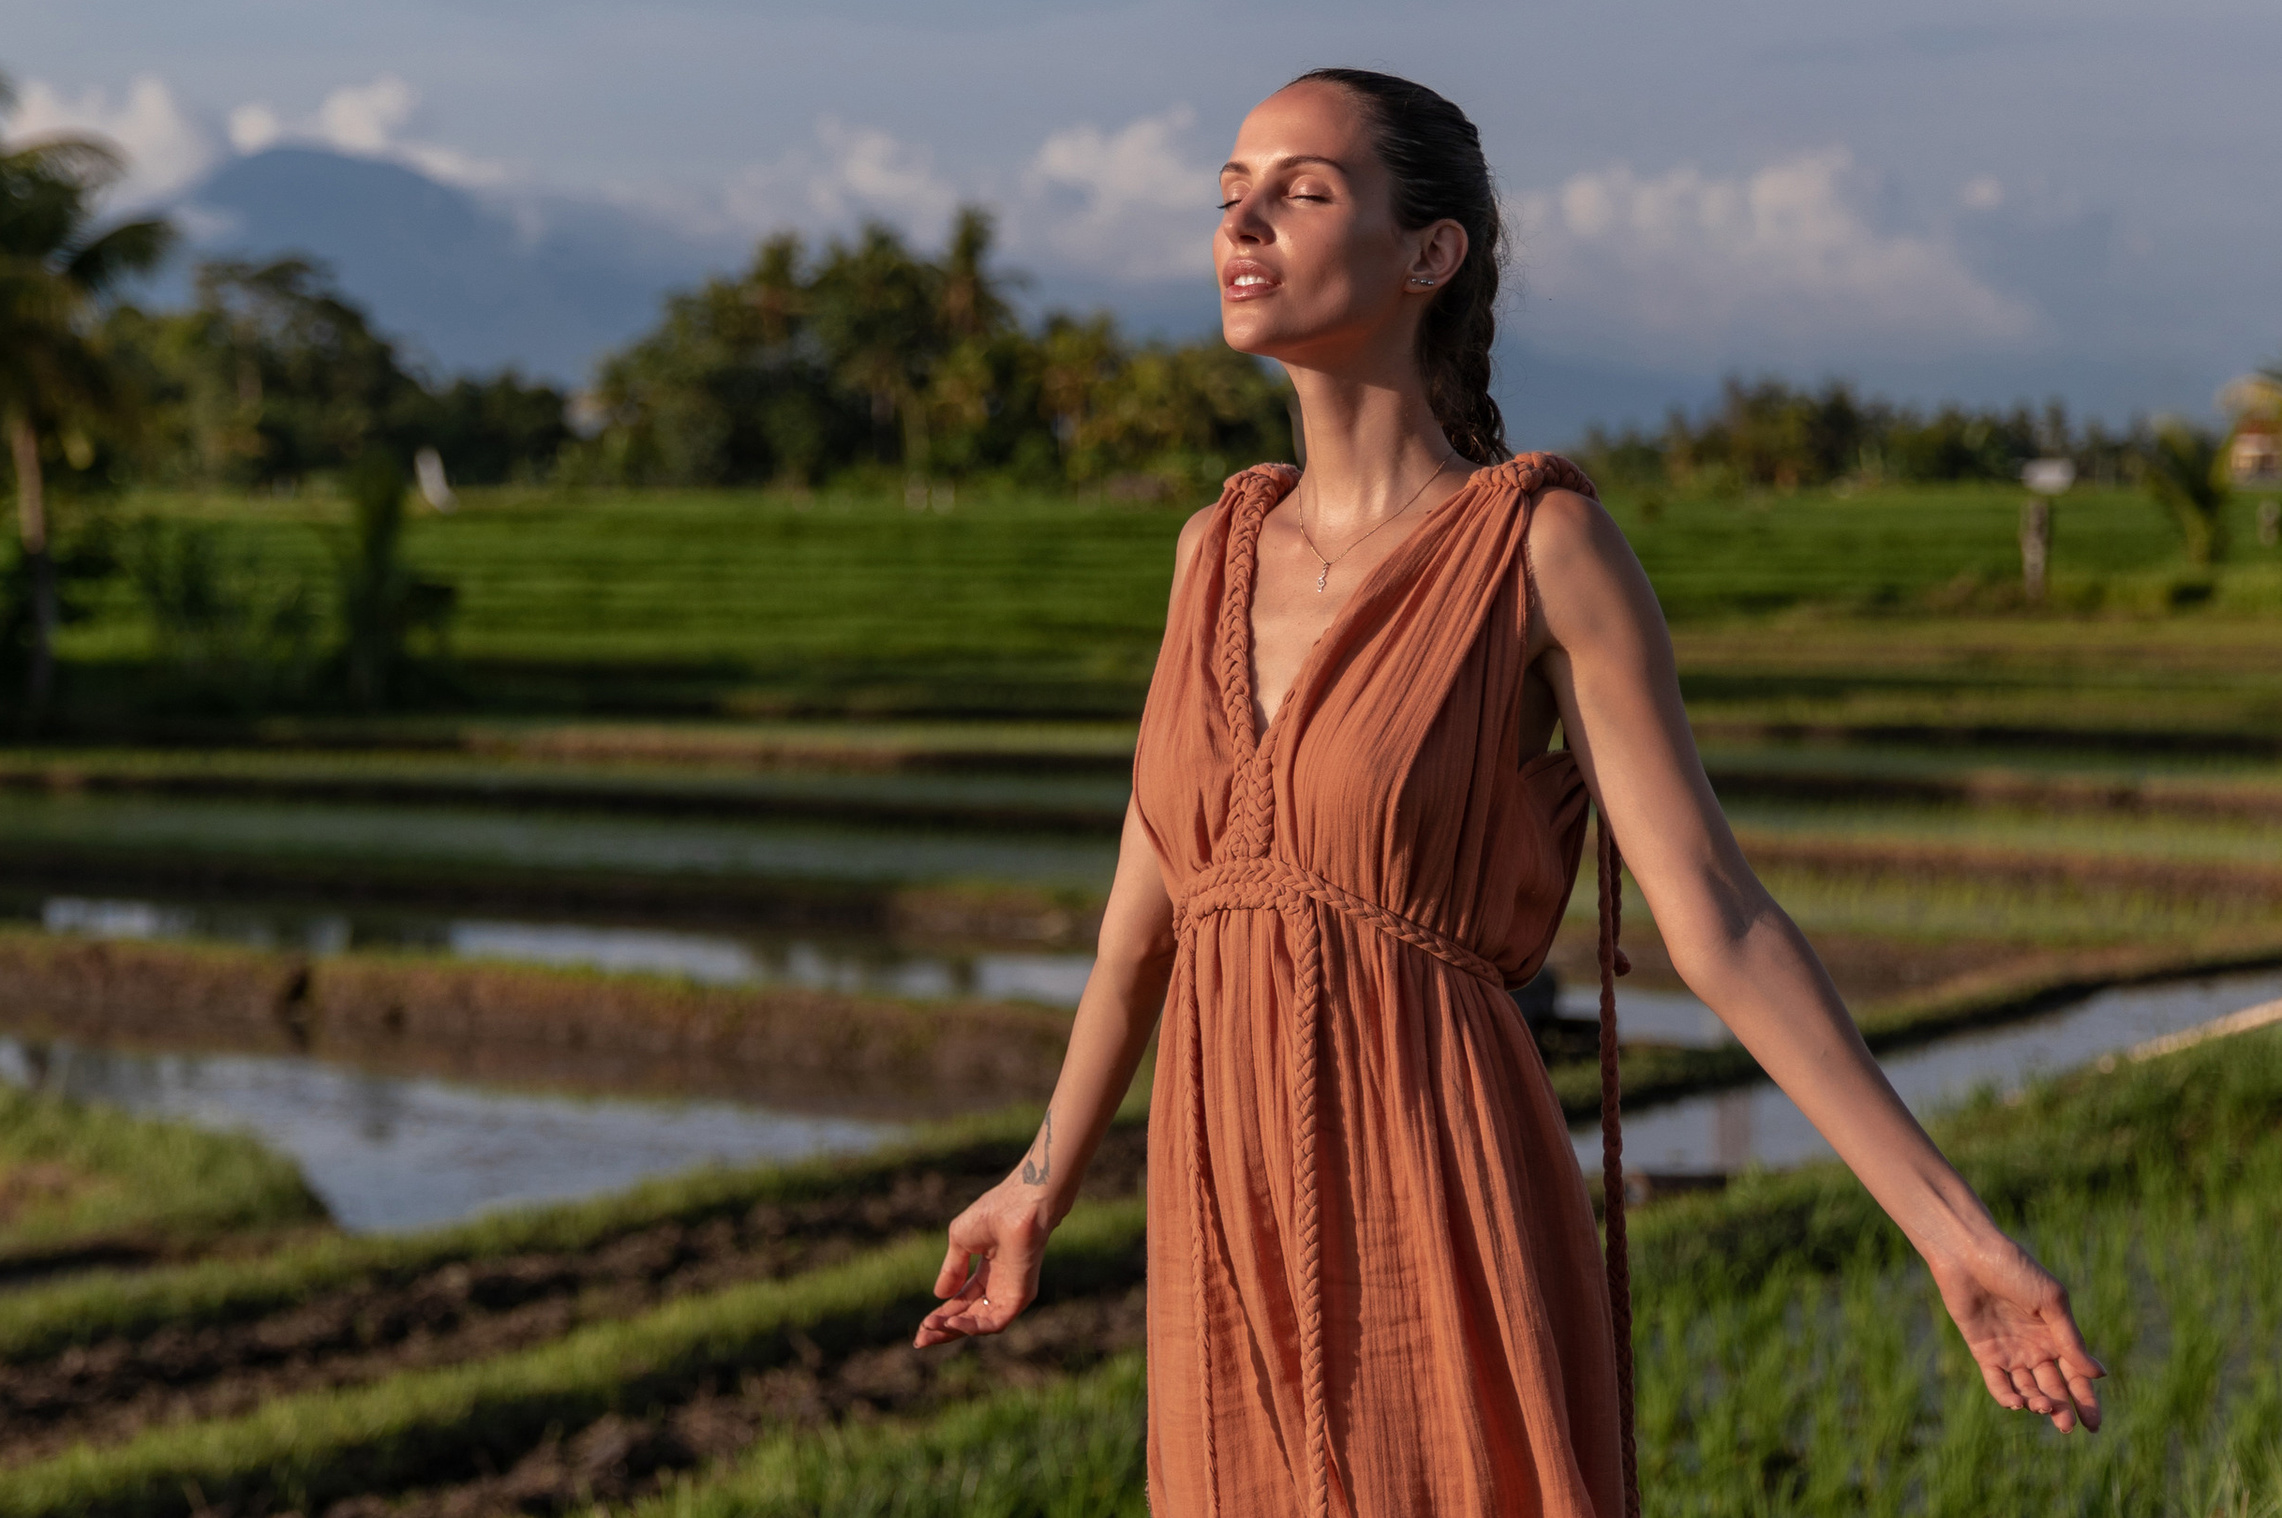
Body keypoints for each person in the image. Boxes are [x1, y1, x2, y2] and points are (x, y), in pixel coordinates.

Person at [913, 66, 2106, 1517]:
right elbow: (1138, 932)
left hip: (1436, 1172)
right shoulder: (1206, 551)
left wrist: (1952, 1231)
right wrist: (1039, 1178)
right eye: (1231, 190)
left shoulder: (1538, 547)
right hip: (1221, 1195)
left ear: (1430, 254)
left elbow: (1714, 914)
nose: (1244, 221)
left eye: (1302, 190)